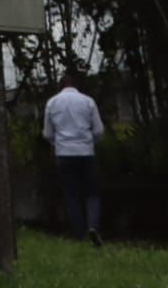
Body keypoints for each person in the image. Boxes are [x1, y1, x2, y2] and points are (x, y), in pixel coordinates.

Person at [43, 70, 106, 246]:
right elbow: (99, 131)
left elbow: (48, 133)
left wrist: (59, 143)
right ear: (76, 86)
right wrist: (89, 141)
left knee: (71, 195)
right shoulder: (88, 101)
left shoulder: (52, 103)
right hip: (85, 152)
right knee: (92, 193)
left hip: (63, 154)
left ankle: (78, 235)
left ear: (60, 86)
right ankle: (93, 226)